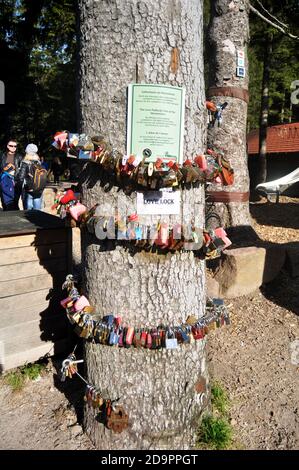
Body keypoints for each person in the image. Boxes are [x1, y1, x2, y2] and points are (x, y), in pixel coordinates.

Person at [17, 143, 47, 210]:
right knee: (37, 209)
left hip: (29, 189)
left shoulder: (25, 162)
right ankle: (37, 220)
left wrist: (18, 188)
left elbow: (21, 177)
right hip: (39, 189)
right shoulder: (38, 162)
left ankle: (29, 220)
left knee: (28, 210)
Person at [0, 138, 23, 209]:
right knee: (4, 202)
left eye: (15, 146)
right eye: (11, 146)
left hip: (15, 182)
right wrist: (5, 169)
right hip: (5, 181)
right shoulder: (2, 155)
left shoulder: (19, 156)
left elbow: (22, 170)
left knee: (15, 202)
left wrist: (15, 169)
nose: (13, 148)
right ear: (7, 146)